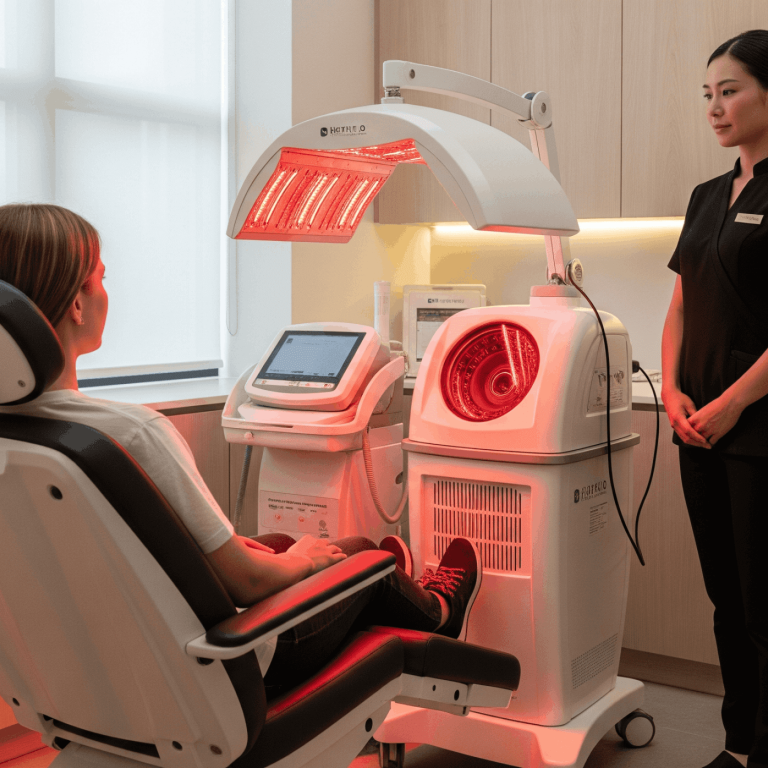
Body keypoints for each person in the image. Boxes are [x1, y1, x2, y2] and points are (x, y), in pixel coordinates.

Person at [0, 202, 482, 695]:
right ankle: (438, 613)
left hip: (91, 664)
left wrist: (262, 553)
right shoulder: (132, 434)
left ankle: (400, 592)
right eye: (101, 277)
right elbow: (246, 585)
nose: (107, 291)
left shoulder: (19, 438)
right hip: (231, 660)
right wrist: (309, 561)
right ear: (77, 305)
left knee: (287, 544)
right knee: (363, 560)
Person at [661, 30, 768, 768]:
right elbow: (679, 305)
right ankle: (736, 746)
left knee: (766, 607)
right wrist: (669, 391)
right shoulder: (706, 195)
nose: (715, 107)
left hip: (757, 427)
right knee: (726, 602)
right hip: (694, 426)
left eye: (729, 90)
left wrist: (732, 402)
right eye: (708, 94)